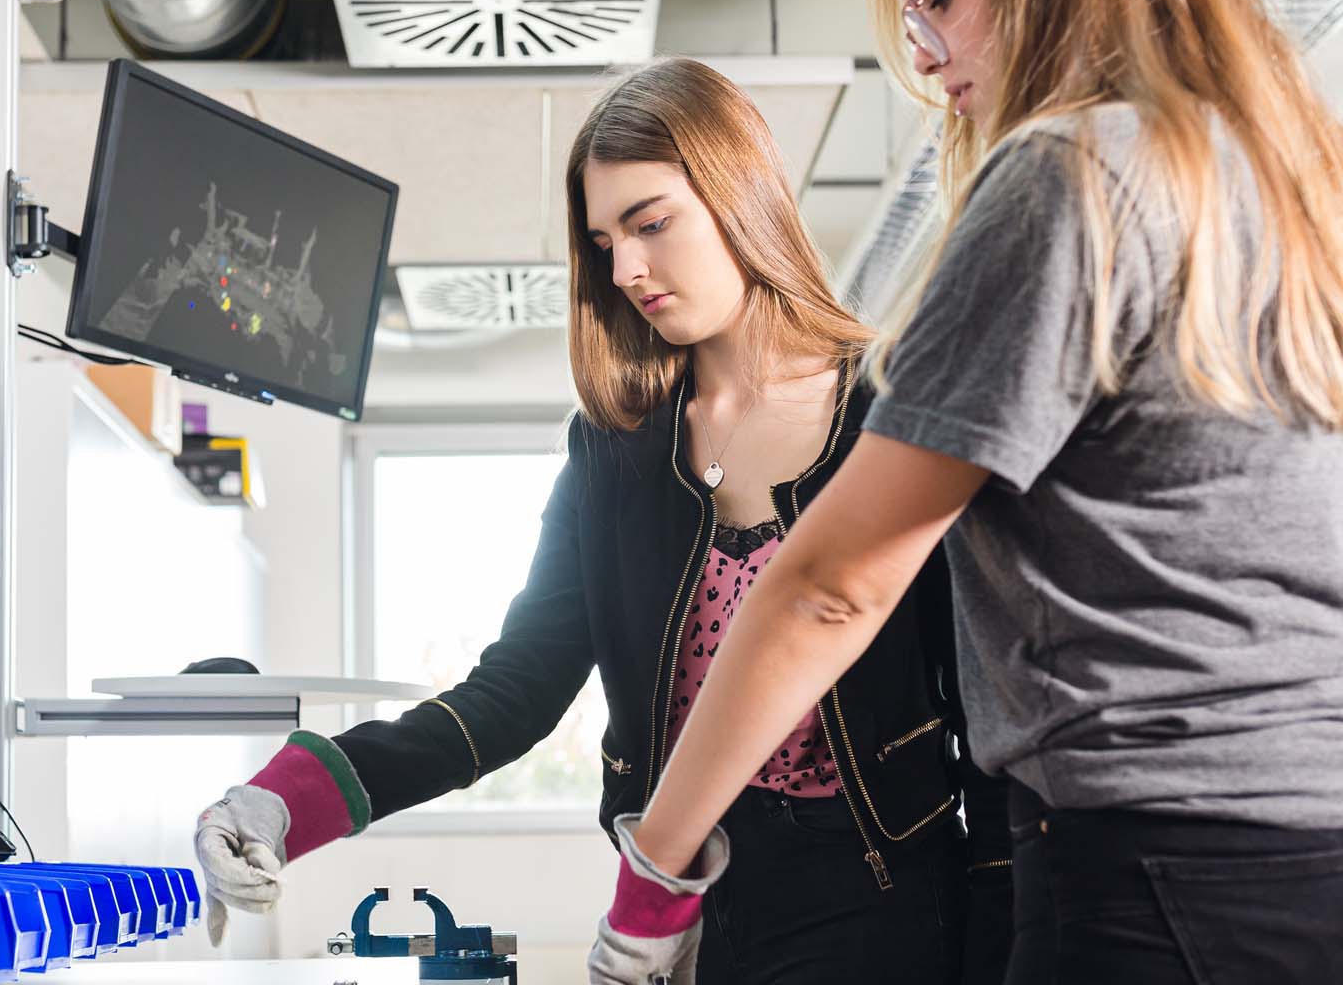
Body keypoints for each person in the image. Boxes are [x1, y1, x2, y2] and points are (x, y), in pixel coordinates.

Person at [586, 0, 1343, 983]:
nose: (927, 50)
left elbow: (834, 586)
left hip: (1146, 863)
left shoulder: (1072, 177)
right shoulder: (1277, 175)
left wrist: (652, 887)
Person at [195, 58, 1012, 984]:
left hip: (886, 902)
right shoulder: (615, 453)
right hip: (679, 910)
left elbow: (987, 724)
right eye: (603, 241)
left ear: (739, 192)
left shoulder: (891, 409)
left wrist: (1003, 940)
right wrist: (285, 799)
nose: (625, 268)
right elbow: (510, 695)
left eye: (651, 223)